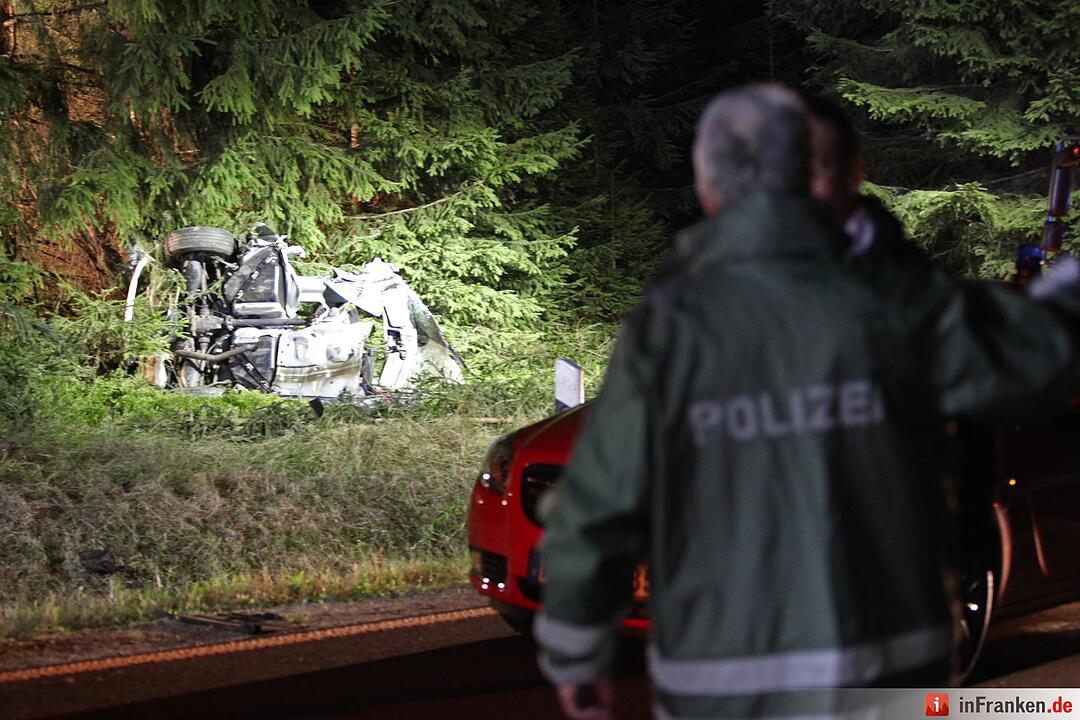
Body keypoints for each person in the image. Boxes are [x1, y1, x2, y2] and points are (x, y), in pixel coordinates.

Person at [534, 83, 1080, 720]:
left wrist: (574, 647)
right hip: (884, 673)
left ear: (708, 191)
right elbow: (1040, 360)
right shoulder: (897, 301)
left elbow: (598, 505)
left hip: (715, 682)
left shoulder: (668, 328)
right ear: (822, 178)